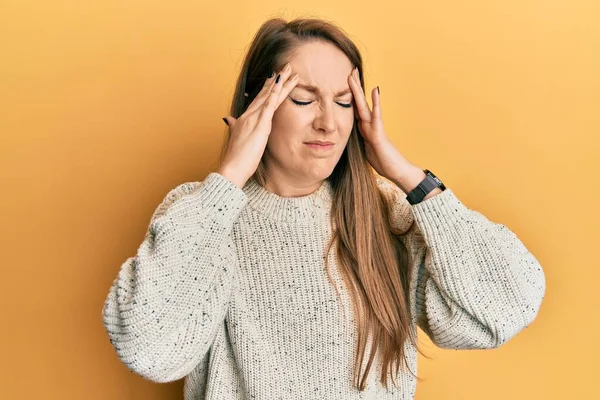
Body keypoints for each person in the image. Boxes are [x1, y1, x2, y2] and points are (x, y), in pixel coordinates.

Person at [102, 17, 546, 399]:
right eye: (302, 98)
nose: (328, 123)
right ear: (258, 105)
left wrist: (410, 178)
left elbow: (506, 308)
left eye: (343, 101)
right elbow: (150, 347)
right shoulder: (202, 214)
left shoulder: (384, 215)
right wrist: (228, 180)